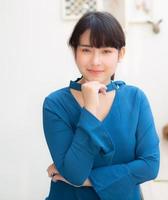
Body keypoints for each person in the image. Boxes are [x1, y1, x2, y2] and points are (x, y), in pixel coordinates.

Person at [42, 11, 160, 200]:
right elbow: (75, 173)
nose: (95, 61)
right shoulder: (55, 104)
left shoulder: (135, 98)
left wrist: (89, 181)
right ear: (75, 51)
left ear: (120, 53)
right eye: (86, 50)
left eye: (106, 51)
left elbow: (150, 166)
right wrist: (90, 110)